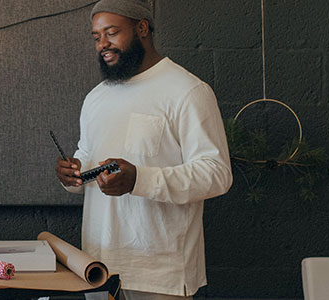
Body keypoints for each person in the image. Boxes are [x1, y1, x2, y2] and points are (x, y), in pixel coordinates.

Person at [54, 0, 233, 299]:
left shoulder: (187, 91)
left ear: (142, 28)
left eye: (112, 32)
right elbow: (87, 158)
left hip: (160, 273)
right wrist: (72, 175)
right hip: (98, 269)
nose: (103, 44)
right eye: (97, 37)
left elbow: (216, 174)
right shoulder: (96, 98)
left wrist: (139, 180)